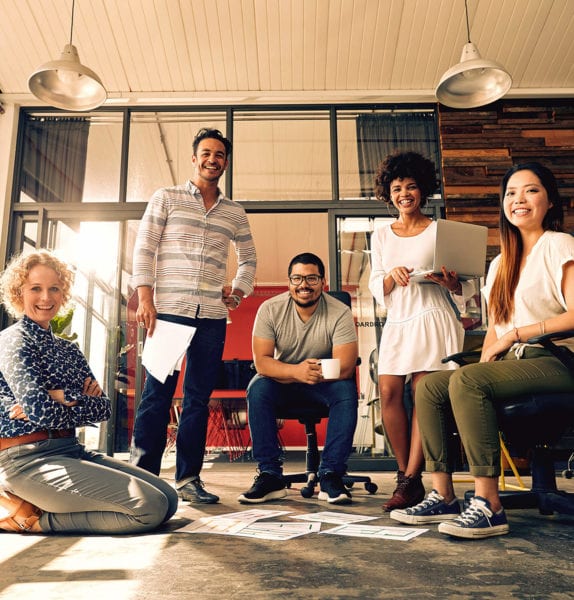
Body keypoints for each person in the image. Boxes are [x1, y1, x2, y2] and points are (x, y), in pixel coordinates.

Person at [390, 162, 574, 539]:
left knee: (469, 382)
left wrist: (515, 336)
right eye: (510, 193)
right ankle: (443, 495)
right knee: (431, 386)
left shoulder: (560, 245)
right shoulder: (500, 264)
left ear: (550, 201)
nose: (518, 199)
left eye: (531, 190)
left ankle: (489, 504)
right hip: (513, 362)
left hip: (554, 360)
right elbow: (496, 329)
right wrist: (491, 351)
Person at [0, 250, 178, 534]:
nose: (46, 298)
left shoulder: (68, 349)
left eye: (54, 289)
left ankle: (42, 506)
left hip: (70, 449)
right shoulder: (12, 342)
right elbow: (39, 410)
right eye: (36, 288)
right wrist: (67, 400)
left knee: (169, 500)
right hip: (26, 459)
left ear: (63, 293)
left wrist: (57, 397)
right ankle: (30, 520)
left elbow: (104, 408)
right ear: (18, 293)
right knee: (149, 509)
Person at [130, 127, 256, 504]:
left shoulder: (234, 212)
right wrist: (145, 299)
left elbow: (249, 258)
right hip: (167, 313)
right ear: (194, 158)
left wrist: (238, 289)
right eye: (206, 152)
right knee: (157, 396)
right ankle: (143, 478)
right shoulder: (166, 198)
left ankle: (189, 479)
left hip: (211, 317)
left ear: (226, 162)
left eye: (219, 154)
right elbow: (145, 247)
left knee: (198, 400)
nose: (212, 159)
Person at [368, 151, 474, 512]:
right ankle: (406, 475)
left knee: (422, 395)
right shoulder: (381, 235)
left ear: (423, 189)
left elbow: (465, 286)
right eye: (397, 188)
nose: (404, 194)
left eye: (411, 186)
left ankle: (410, 480)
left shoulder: (441, 230)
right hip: (398, 320)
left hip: (433, 315)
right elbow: (373, 282)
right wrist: (389, 277)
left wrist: (451, 282)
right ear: (389, 193)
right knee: (388, 392)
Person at [238, 252, 359, 505]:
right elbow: (262, 362)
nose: (304, 285)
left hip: (324, 384)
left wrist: (308, 372)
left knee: (346, 389)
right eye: (297, 278)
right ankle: (270, 475)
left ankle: (330, 475)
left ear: (323, 282)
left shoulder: (340, 311)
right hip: (286, 383)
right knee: (257, 388)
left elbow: (345, 366)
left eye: (312, 278)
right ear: (289, 282)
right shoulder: (270, 309)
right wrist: (295, 372)